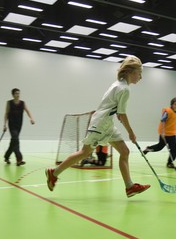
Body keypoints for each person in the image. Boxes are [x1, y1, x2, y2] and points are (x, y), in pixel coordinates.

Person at [45, 55, 151, 198]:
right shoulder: (124, 89)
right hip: (101, 124)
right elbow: (122, 113)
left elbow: (114, 109)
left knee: (124, 152)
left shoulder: (117, 84)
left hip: (106, 123)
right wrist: (131, 132)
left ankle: (129, 187)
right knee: (85, 153)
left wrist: (118, 115)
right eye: (140, 73)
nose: (141, 77)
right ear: (131, 72)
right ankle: (54, 172)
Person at [143, 97, 176, 169]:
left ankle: (170, 163)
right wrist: (163, 132)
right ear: (172, 104)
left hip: (172, 134)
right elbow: (163, 120)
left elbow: (172, 119)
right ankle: (148, 149)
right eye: (175, 104)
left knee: (174, 149)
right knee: (159, 147)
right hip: (164, 133)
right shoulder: (167, 111)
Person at [3, 88, 35, 166]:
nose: (18, 95)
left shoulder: (22, 103)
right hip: (12, 125)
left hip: (19, 125)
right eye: (16, 93)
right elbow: (6, 114)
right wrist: (5, 125)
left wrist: (31, 118)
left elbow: (28, 111)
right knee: (16, 140)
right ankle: (19, 159)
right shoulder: (9, 103)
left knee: (13, 142)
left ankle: (6, 156)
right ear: (13, 94)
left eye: (19, 93)